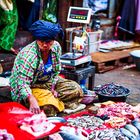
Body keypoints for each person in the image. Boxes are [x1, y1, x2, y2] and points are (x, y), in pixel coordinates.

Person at [10, 20, 83, 116]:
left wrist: (53, 87)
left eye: (48, 42)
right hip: (29, 88)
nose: (44, 45)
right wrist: (31, 99)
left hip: (46, 83)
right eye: (41, 41)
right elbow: (22, 84)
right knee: (48, 109)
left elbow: (56, 71)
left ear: (53, 40)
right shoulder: (28, 56)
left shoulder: (56, 47)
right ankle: (50, 101)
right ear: (37, 39)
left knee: (76, 89)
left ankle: (51, 99)